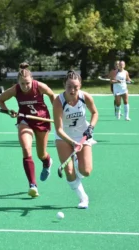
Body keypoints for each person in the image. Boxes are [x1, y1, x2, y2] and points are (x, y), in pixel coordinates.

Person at [0, 62, 56, 198]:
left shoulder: (40, 86)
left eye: (27, 83)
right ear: (18, 82)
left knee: (41, 154)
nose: (25, 86)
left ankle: (47, 162)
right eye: (22, 84)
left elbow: (53, 96)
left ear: (32, 80)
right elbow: (0, 100)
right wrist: (8, 112)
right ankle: (32, 185)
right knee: (26, 148)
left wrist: (57, 113)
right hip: (25, 121)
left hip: (42, 120)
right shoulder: (15, 89)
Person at [53, 71, 98, 209]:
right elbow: (59, 129)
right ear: (64, 85)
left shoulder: (85, 97)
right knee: (69, 171)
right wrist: (73, 143)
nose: (72, 90)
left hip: (82, 135)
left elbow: (95, 113)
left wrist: (90, 127)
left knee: (86, 171)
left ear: (80, 86)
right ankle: (83, 198)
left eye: (76, 87)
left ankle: (78, 161)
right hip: (63, 136)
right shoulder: (58, 101)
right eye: (69, 87)